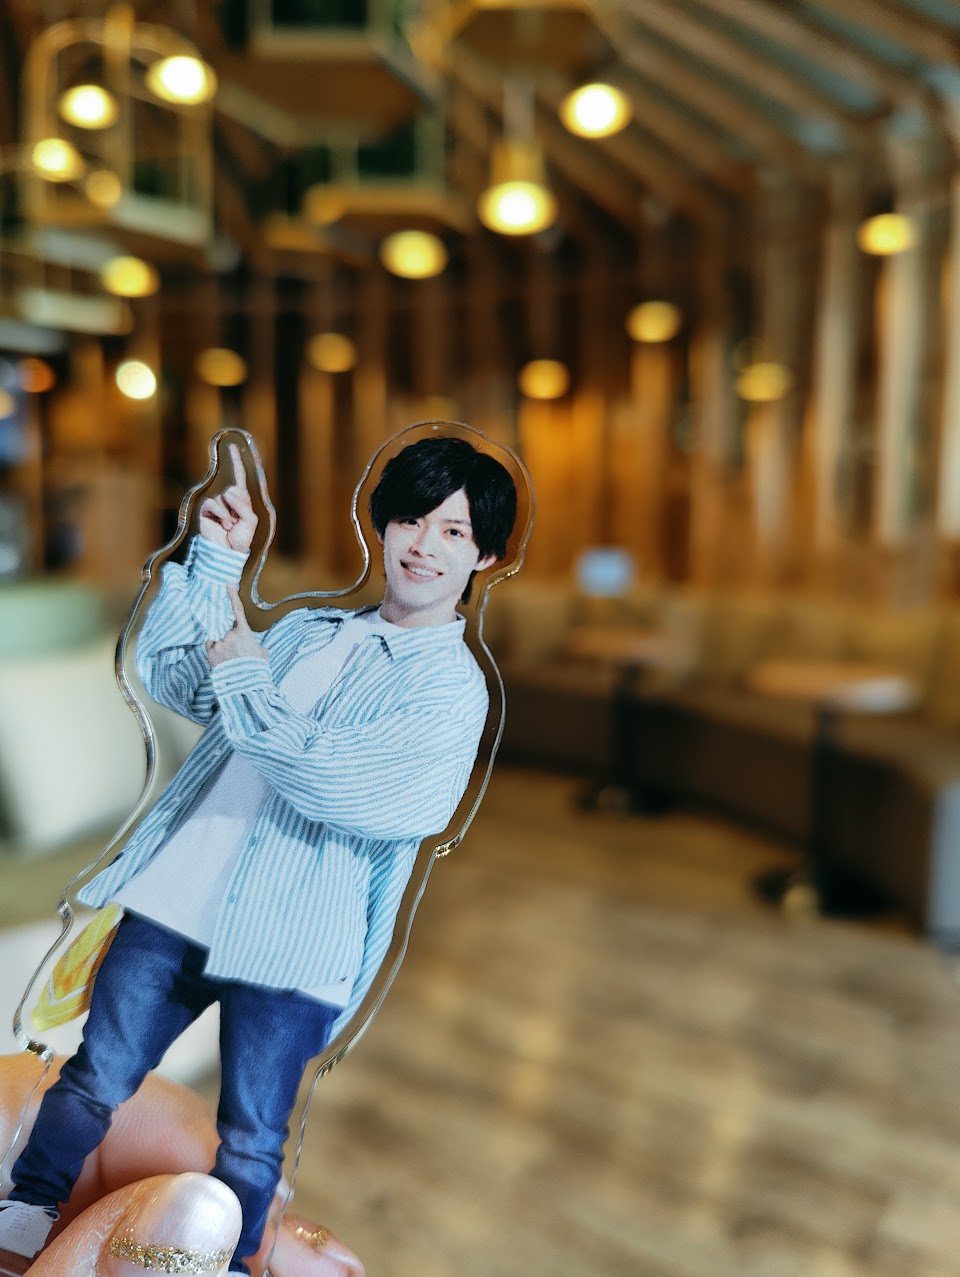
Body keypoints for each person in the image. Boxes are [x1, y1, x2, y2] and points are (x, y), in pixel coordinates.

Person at [0, 434, 518, 1275]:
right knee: (94, 1076)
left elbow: (349, 788)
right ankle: (27, 1206)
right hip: (176, 901)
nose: (425, 545)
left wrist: (247, 680)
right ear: (382, 526)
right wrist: (214, 561)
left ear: (486, 555)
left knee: (247, 1138)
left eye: (455, 532)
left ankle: (232, 1265)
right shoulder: (310, 630)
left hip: (294, 943)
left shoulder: (450, 690)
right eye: (414, 520)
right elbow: (178, 681)